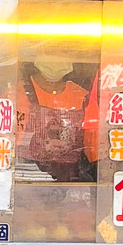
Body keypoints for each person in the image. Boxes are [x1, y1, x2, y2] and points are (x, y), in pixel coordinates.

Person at [16, 52, 97, 182]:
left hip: (71, 177)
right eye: (49, 51)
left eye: (62, 52)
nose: (56, 58)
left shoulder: (81, 96)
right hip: (27, 174)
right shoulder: (18, 93)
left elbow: (92, 143)